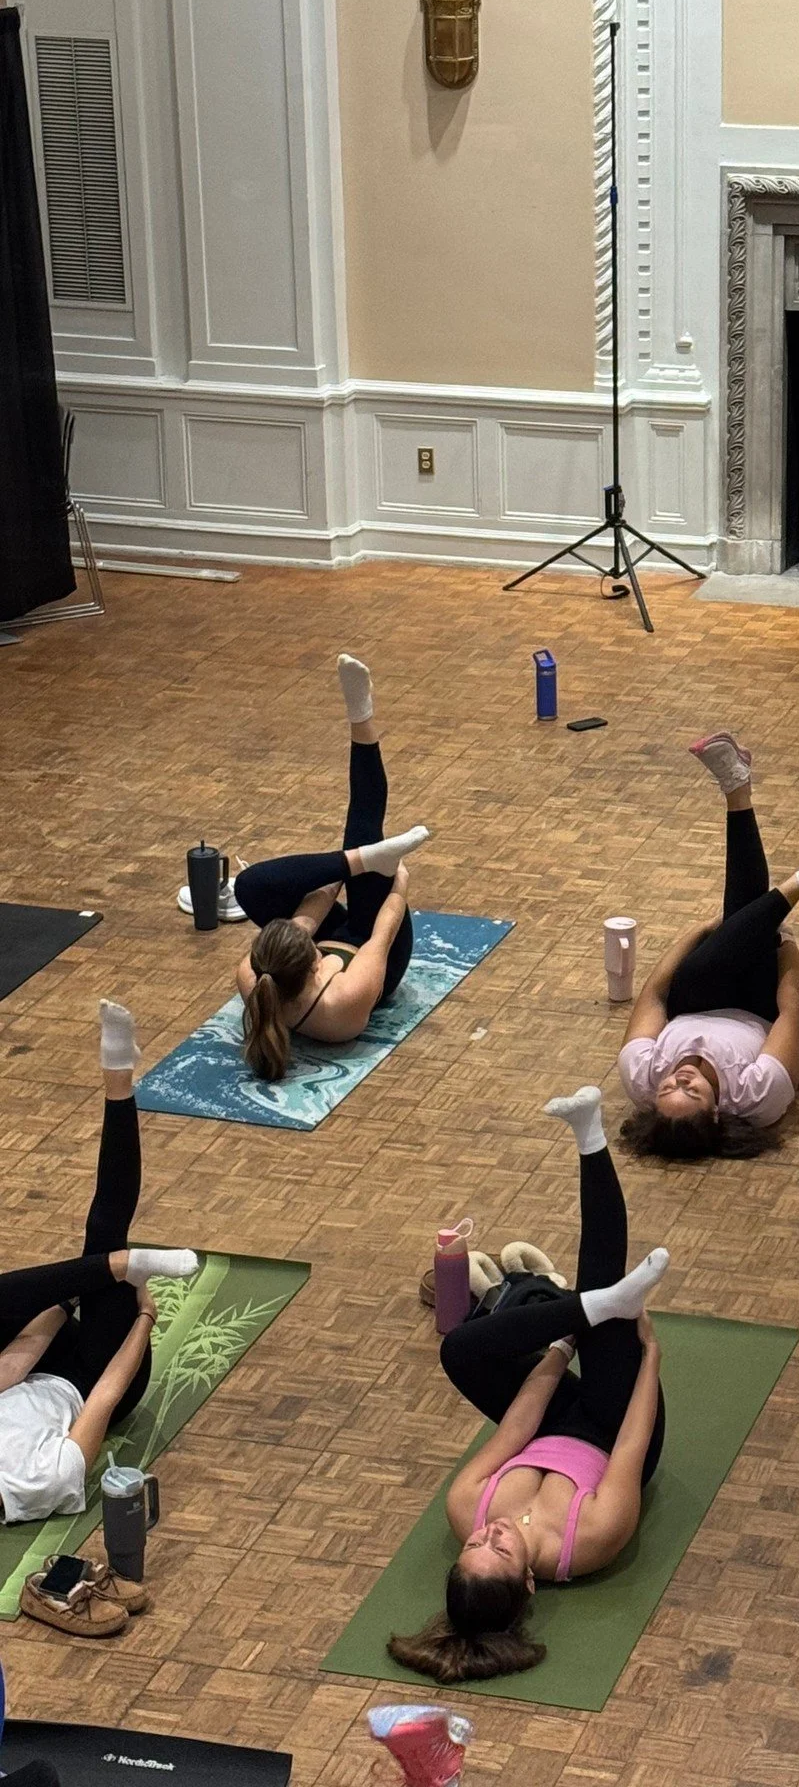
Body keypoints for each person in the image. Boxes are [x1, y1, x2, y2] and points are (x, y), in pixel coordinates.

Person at [389, 1088, 669, 1683]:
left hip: (550, 1420)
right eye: (501, 1550)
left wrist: (567, 1342)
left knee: (461, 1348)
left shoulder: (466, 1508)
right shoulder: (590, 1541)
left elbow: (516, 1430)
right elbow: (629, 1450)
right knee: (607, 1304)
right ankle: (589, 1136)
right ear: (531, 1580)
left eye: (473, 1548)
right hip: (615, 1426)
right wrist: (650, 1358)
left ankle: (590, 1307)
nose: (487, 1535)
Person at [617, 733, 799, 1160]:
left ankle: (755, 813)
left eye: (670, 1087)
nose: (681, 1079)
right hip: (768, 1009)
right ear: (716, 1113)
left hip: (704, 987)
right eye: (690, 1092)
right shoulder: (757, 1098)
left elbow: (656, 992)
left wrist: (698, 931)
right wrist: (781, 938)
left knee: (702, 965)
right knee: (739, 936)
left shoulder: (639, 1075)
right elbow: (792, 1011)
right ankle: (796, 879)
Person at [0, 1004, 198, 1527]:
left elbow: (11, 1370)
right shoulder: (37, 1485)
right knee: (103, 1235)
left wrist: (63, 1302)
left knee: (91, 1263)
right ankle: (118, 1077)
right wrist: (145, 1318)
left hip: (28, 1359)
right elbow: (103, 1399)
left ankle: (114, 1264)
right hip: (94, 1373)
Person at [233, 655, 431, 1080]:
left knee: (249, 887)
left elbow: (307, 918)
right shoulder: (342, 1004)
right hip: (381, 948)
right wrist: (396, 883)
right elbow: (382, 932)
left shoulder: (256, 974)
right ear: (314, 968)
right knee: (366, 842)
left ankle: (359, 855)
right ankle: (361, 715)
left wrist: (348, 866)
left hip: (334, 935)